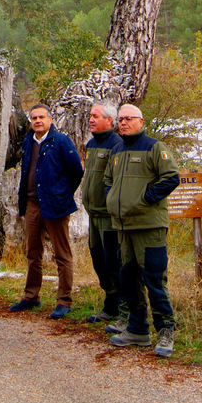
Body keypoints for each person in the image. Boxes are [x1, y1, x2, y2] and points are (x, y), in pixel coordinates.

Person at [103, 103, 180, 357]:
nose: (123, 123)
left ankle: (166, 331)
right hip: (123, 227)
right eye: (120, 119)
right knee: (128, 278)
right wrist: (112, 199)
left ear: (141, 121)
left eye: (128, 119)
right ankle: (137, 330)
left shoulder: (154, 148)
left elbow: (171, 178)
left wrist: (145, 199)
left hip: (149, 226)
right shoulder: (116, 150)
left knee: (154, 279)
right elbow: (107, 181)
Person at [10, 103, 84, 319]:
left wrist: (63, 194)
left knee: (62, 254)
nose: (38, 121)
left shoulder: (60, 141)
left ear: (50, 119)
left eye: (42, 117)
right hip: (32, 205)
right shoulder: (28, 142)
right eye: (34, 118)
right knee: (33, 252)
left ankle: (64, 301)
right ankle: (31, 296)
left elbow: (76, 171)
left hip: (55, 205)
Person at [81, 102, 127, 328]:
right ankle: (109, 305)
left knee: (113, 261)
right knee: (98, 259)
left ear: (109, 120)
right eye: (90, 115)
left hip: (108, 217)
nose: (91, 119)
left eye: (95, 116)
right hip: (93, 214)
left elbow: (116, 182)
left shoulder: (117, 144)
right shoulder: (91, 144)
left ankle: (120, 308)